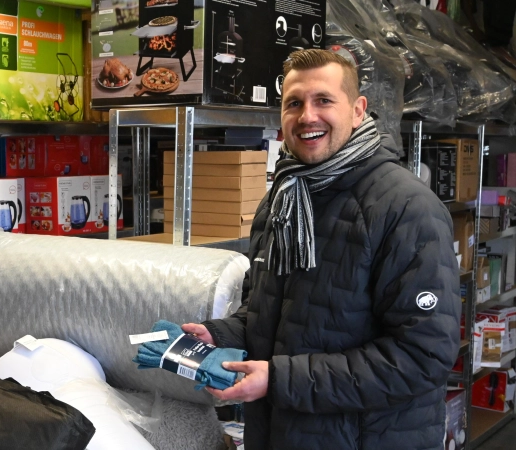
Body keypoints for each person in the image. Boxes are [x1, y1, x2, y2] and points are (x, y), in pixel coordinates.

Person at [183, 49, 460, 449]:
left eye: (323, 101)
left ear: (358, 110)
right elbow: (270, 315)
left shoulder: (405, 209)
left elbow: (421, 358)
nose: (307, 116)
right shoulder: (282, 201)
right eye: (294, 103)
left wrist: (279, 380)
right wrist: (216, 335)